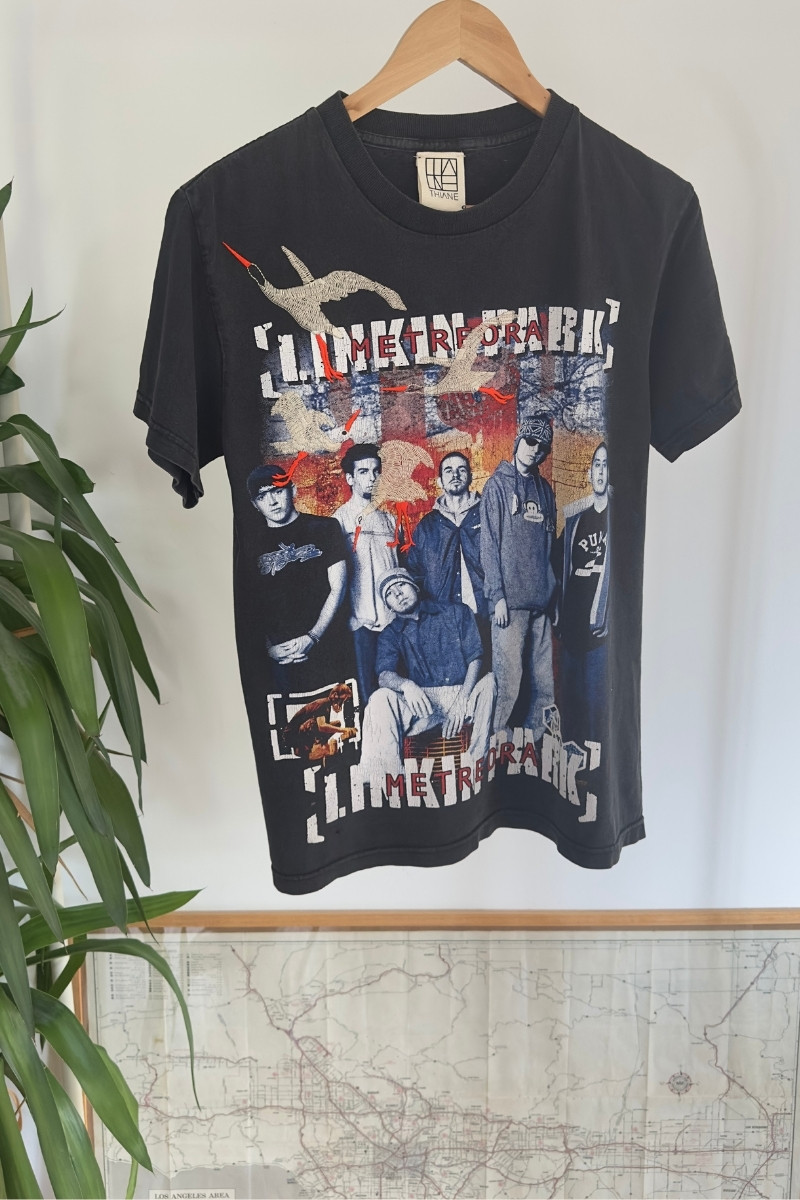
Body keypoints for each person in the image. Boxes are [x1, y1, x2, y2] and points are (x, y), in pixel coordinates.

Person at [359, 567, 496, 778]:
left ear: (414, 587)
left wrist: (462, 699)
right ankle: (390, 780)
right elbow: (384, 675)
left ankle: (476, 768)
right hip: (424, 703)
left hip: (464, 693)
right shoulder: (390, 633)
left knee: (490, 681)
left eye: (401, 585)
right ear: (388, 605)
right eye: (390, 594)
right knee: (379, 698)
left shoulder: (456, 611)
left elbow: (475, 658)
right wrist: (407, 685)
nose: (398, 594)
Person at [480, 414, 557, 743]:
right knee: (509, 678)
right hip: (509, 604)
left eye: (542, 448)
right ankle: (499, 740)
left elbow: (549, 546)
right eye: (530, 441)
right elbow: (489, 545)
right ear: (518, 441)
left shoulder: (545, 491)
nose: (534, 450)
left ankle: (537, 742)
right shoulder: (496, 486)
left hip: (541, 601)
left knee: (543, 680)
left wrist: (552, 597)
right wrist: (497, 596)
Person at [247, 464, 352, 693]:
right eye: (262, 496)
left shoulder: (325, 528)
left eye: (277, 491)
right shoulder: (250, 545)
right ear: (255, 504)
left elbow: (339, 587)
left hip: (328, 646)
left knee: (338, 713)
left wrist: (313, 637)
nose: (272, 502)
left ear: (292, 490)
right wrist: (268, 649)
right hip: (280, 657)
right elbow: (250, 604)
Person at [406, 451, 491, 664]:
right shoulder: (427, 526)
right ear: (440, 481)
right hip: (445, 620)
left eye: (461, 470)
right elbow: (415, 573)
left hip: (486, 612)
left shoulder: (487, 514)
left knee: (491, 674)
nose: (455, 475)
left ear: (470, 477)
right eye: (449, 471)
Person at [553, 442, 610, 746]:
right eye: (596, 464)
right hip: (572, 626)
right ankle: (571, 763)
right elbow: (555, 563)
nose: (601, 471)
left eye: (606, 464)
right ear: (589, 473)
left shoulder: (621, 520)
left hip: (600, 631)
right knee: (571, 704)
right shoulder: (576, 521)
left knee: (596, 705)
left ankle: (595, 765)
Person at [333, 443, 397, 703]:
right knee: (368, 696)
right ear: (350, 478)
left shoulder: (390, 520)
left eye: (376, 471)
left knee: (396, 689)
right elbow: (335, 579)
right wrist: (350, 618)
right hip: (361, 624)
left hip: (393, 622)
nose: (372, 478)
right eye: (363, 472)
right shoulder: (339, 520)